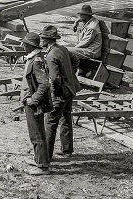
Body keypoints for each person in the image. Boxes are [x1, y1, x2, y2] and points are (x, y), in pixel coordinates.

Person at [40, 24, 77, 161]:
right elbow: (75, 60)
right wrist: (69, 75)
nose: (41, 40)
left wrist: (54, 94)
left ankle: (47, 156)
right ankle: (67, 151)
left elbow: (54, 78)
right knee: (66, 120)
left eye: (42, 38)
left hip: (59, 94)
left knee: (50, 123)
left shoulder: (51, 55)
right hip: (69, 91)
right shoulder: (62, 49)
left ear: (47, 40)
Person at [18, 32, 52, 176]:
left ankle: (43, 166)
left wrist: (34, 100)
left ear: (30, 46)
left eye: (25, 43)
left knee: (37, 134)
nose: (23, 45)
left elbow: (44, 84)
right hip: (30, 101)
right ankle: (38, 159)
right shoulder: (33, 58)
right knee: (36, 133)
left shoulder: (36, 61)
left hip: (34, 103)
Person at [67, 4, 103, 73]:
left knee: (66, 51)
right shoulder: (89, 20)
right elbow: (82, 19)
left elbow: (84, 43)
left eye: (82, 15)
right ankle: (77, 69)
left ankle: (75, 70)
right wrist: (76, 22)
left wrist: (72, 49)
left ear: (87, 15)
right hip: (86, 49)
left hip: (91, 51)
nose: (80, 17)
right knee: (64, 49)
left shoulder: (92, 27)